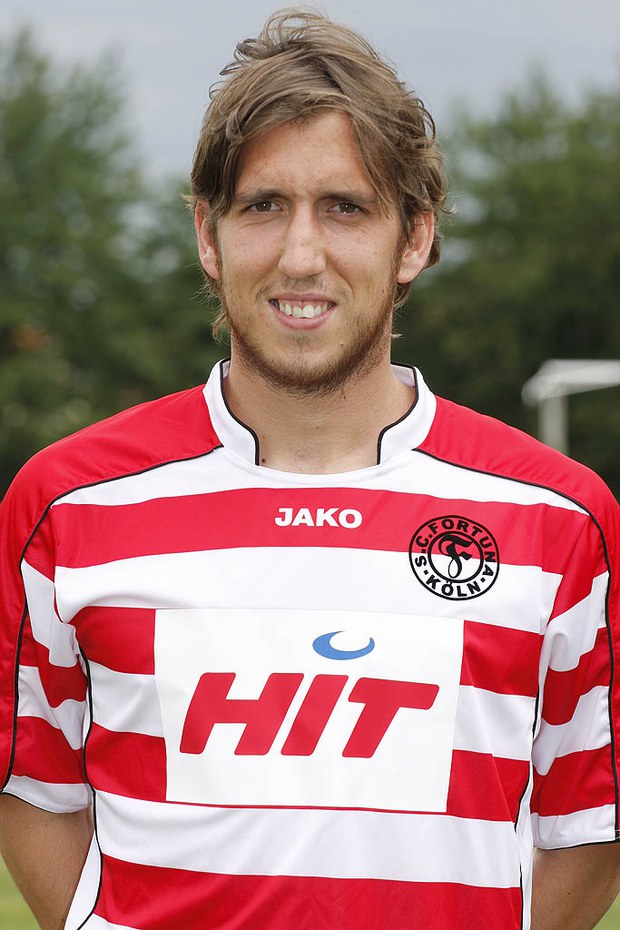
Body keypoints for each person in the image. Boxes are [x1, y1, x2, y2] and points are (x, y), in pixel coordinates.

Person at [0, 9, 619, 930]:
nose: (301, 256)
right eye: (263, 206)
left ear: (414, 238)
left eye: (345, 207)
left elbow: (588, 827)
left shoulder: (558, 520)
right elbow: (32, 789)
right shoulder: (67, 506)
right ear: (208, 235)